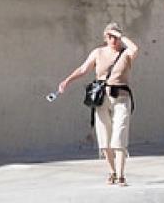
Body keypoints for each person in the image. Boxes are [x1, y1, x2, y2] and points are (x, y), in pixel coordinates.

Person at [55, 22, 139, 186]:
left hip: (121, 97)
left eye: (115, 37)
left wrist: (121, 36)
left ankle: (121, 175)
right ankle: (112, 172)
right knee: (104, 138)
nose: (113, 40)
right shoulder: (98, 52)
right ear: (105, 38)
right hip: (101, 99)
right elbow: (83, 69)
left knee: (119, 136)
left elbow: (135, 49)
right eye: (109, 36)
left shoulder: (126, 53)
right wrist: (67, 81)